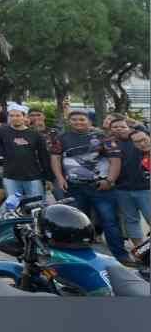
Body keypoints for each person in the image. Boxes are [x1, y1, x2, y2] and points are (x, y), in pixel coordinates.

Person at [49, 110, 129, 263]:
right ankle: (84, 257)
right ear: (69, 122)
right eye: (74, 120)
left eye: (82, 119)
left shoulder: (104, 137)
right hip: (74, 187)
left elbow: (115, 160)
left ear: (89, 121)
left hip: (101, 187)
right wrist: (60, 178)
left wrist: (110, 180)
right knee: (78, 223)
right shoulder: (61, 138)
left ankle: (121, 256)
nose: (78, 122)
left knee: (109, 221)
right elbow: (55, 158)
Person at [0, 103, 48, 199]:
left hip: (33, 176)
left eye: (18, 115)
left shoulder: (35, 134)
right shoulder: (2, 131)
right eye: (11, 115)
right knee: (14, 206)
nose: (15, 118)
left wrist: (48, 177)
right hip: (10, 176)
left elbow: (43, 156)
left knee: (37, 205)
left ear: (24, 117)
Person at [109, 118, 151, 250]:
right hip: (122, 189)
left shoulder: (140, 138)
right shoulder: (110, 144)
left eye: (122, 126)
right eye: (115, 127)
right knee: (131, 220)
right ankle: (140, 250)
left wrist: (133, 122)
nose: (119, 129)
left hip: (145, 189)